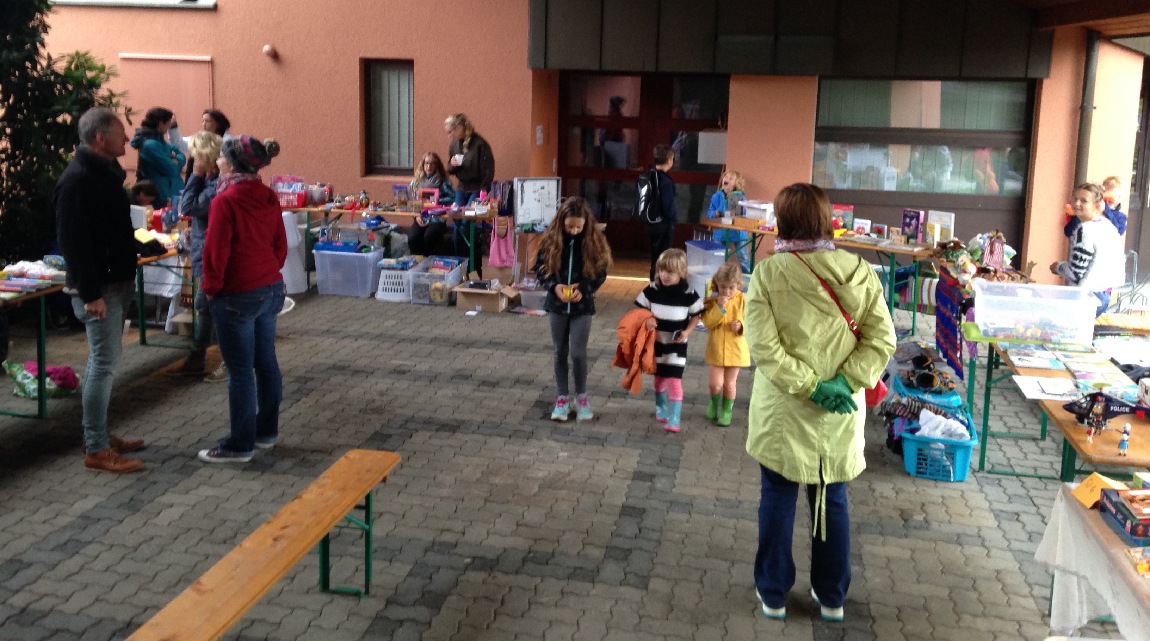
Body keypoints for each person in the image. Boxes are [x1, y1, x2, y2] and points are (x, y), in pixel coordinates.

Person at [744, 182, 895, 622]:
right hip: (839, 412)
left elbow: (765, 349)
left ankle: (772, 594)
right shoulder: (858, 269)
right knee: (832, 499)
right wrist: (845, 382)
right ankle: (831, 597)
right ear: (827, 219)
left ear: (783, 222)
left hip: (783, 411)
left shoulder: (769, 274)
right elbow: (882, 338)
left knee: (777, 495)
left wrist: (809, 386)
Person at [55, 107, 146, 473]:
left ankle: (100, 435)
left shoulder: (104, 174)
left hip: (115, 281)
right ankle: (96, 447)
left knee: (103, 363)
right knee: (104, 365)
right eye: (120, 132)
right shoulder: (76, 181)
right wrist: (90, 293)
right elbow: (72, 243)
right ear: (99, 138)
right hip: (99, 289)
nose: (127, 138)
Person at [198, 136, 287, 463]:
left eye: (221, 157)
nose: (217, 161)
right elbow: (280, 244)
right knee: (265, 363)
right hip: (270, 289)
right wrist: (265, 272)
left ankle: (240, 445)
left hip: (236, 295)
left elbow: (214, 252)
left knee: (239, 371)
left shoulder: (225, 200)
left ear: (232, 163)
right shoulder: (266, 195)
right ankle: (266, 433)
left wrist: (211, 287)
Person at [533, 197, 613, 422]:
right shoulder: (550, 241)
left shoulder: (593, 242)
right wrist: (554, 286)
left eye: (579, 227)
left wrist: (584, 288)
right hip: (557, 305)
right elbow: (540, 269)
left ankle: (581, 397)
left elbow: (600, 272)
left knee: (578, 353)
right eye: (570, 227)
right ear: (561, 222)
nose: (575, 231)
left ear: (586, 224)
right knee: (559, 351)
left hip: (583, 306)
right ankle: (561, 398)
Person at [635, 248, 704, 433]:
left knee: (674, 380)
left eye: (670, 272)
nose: (664, 275)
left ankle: (674, 418)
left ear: (681, 272)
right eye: (662, 270)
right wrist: (647, 319)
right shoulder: (652, 289)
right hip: (656, 344)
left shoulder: (689, 292)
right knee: (659, 380)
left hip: (677, 345)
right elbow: (640, 311)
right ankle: (660, 406)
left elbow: (695, 315)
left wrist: (688, 331)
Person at [176, 130, 224, 381]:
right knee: (207, 307)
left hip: (210, 255)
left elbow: (186, 208)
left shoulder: (214, 186)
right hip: (205, 252)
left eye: (195, 156)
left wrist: (194, 176)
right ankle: (198, 358)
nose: (192, 160)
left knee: (209, 308)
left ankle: (203, 359)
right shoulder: (211, 182)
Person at [1051, 182, 1126, 316]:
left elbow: (1075, 273)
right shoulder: (1107, 226)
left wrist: (1058, 267)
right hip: (1104, 294)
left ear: (1097, 206)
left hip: (1087, 295)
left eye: (1084, 201)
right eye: (1074, 198)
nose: (1076, 203)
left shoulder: (1085, 230)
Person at [444, 114, 495, 272]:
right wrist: (452, 165)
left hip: (477, 189)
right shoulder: (454, 145)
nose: (450, 135)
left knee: (467, 224)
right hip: (462, 188)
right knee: (457, 224)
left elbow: (489, 170)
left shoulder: (480, 144)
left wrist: (484, 192)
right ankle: (460, 265)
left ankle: (472, 267)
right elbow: (450, 169)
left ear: (460, 127)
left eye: (451, 131)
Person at [701, 261, 749, 427]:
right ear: (716, 284)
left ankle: (727, 410)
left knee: (729, 383)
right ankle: (714, 403)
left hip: (735, 349)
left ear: (738, 285)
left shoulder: (743, 300)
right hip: (716, 349)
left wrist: (741, 326)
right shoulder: (712, 301)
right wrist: (719, 308)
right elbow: (708, 323)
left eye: (731, 287)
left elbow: (752, 320)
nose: (727, 292)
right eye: (722, 287)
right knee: (715, 384)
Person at [130, 107, 187, 208]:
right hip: (163, 195)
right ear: (161, 123)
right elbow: (172, 169)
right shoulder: (151, 145)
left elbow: (181, 155)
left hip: (172, 193)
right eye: (168, 122)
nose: (170, 125)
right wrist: (176, 160)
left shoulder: (159, 142)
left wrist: (176, 160)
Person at [406, 152, 456, 256]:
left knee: (429, 236)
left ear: (437, 165)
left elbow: (453, 198)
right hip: (422, 216)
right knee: (412, 237)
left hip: (438, 218)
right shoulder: (416, 182)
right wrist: (416, 216)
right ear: (423, 165)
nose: (429, 166)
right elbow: (412, 201)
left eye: (432, 163)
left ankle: (430, 262)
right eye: (427, 163)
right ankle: (419, 262)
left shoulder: (443, 182)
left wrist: (437, 201)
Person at [706, 170, 751, 273]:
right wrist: (714, 214)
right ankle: (717, 277)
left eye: (731, 178)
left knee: (743, 257)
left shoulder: (739, 196)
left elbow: (737, 214)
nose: (726, 179)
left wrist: (729, 197)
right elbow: (710, 211)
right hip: (720, 232)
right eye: (725, 176)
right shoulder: (716, 196)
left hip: (737, 233)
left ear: (736, 183)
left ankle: (750, 277)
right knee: (717, 257)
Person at [645, 144, 677, 282]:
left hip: (650, 223)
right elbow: (668, 206)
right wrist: (674, 217)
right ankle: (659, 285)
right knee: (663, 257)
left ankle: (653, 283)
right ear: (669, 160)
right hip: (663, 224)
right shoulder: (665, 181)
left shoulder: (649, 175)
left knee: (655, 256)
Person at [184, 109, 232, 179]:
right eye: (203, 121)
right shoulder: (201, 138)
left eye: (207, 121)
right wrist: (174, 127)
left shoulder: (227, 142)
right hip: (199, 177)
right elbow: (180, 143)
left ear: (218, 123)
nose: (203, 124)